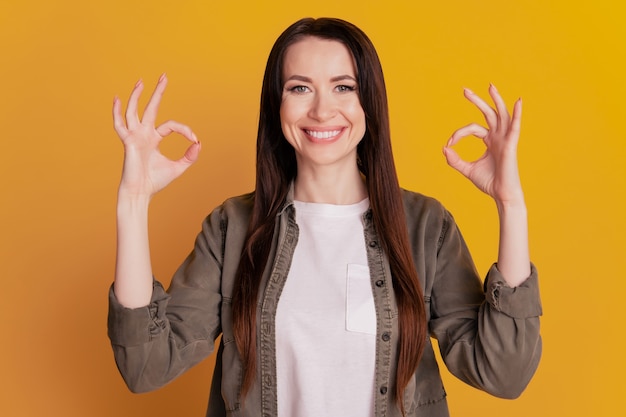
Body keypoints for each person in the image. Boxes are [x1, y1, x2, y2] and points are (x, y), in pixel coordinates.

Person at [108, 17, 542, 417]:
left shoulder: (425, 227)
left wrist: (511, 204)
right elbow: (147, 367)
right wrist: (133, 202)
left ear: (368, 101)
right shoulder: (232, 227)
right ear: (276, 105)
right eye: (299, 88)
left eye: (343, 87)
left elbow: (503, 375)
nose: (320, 110)